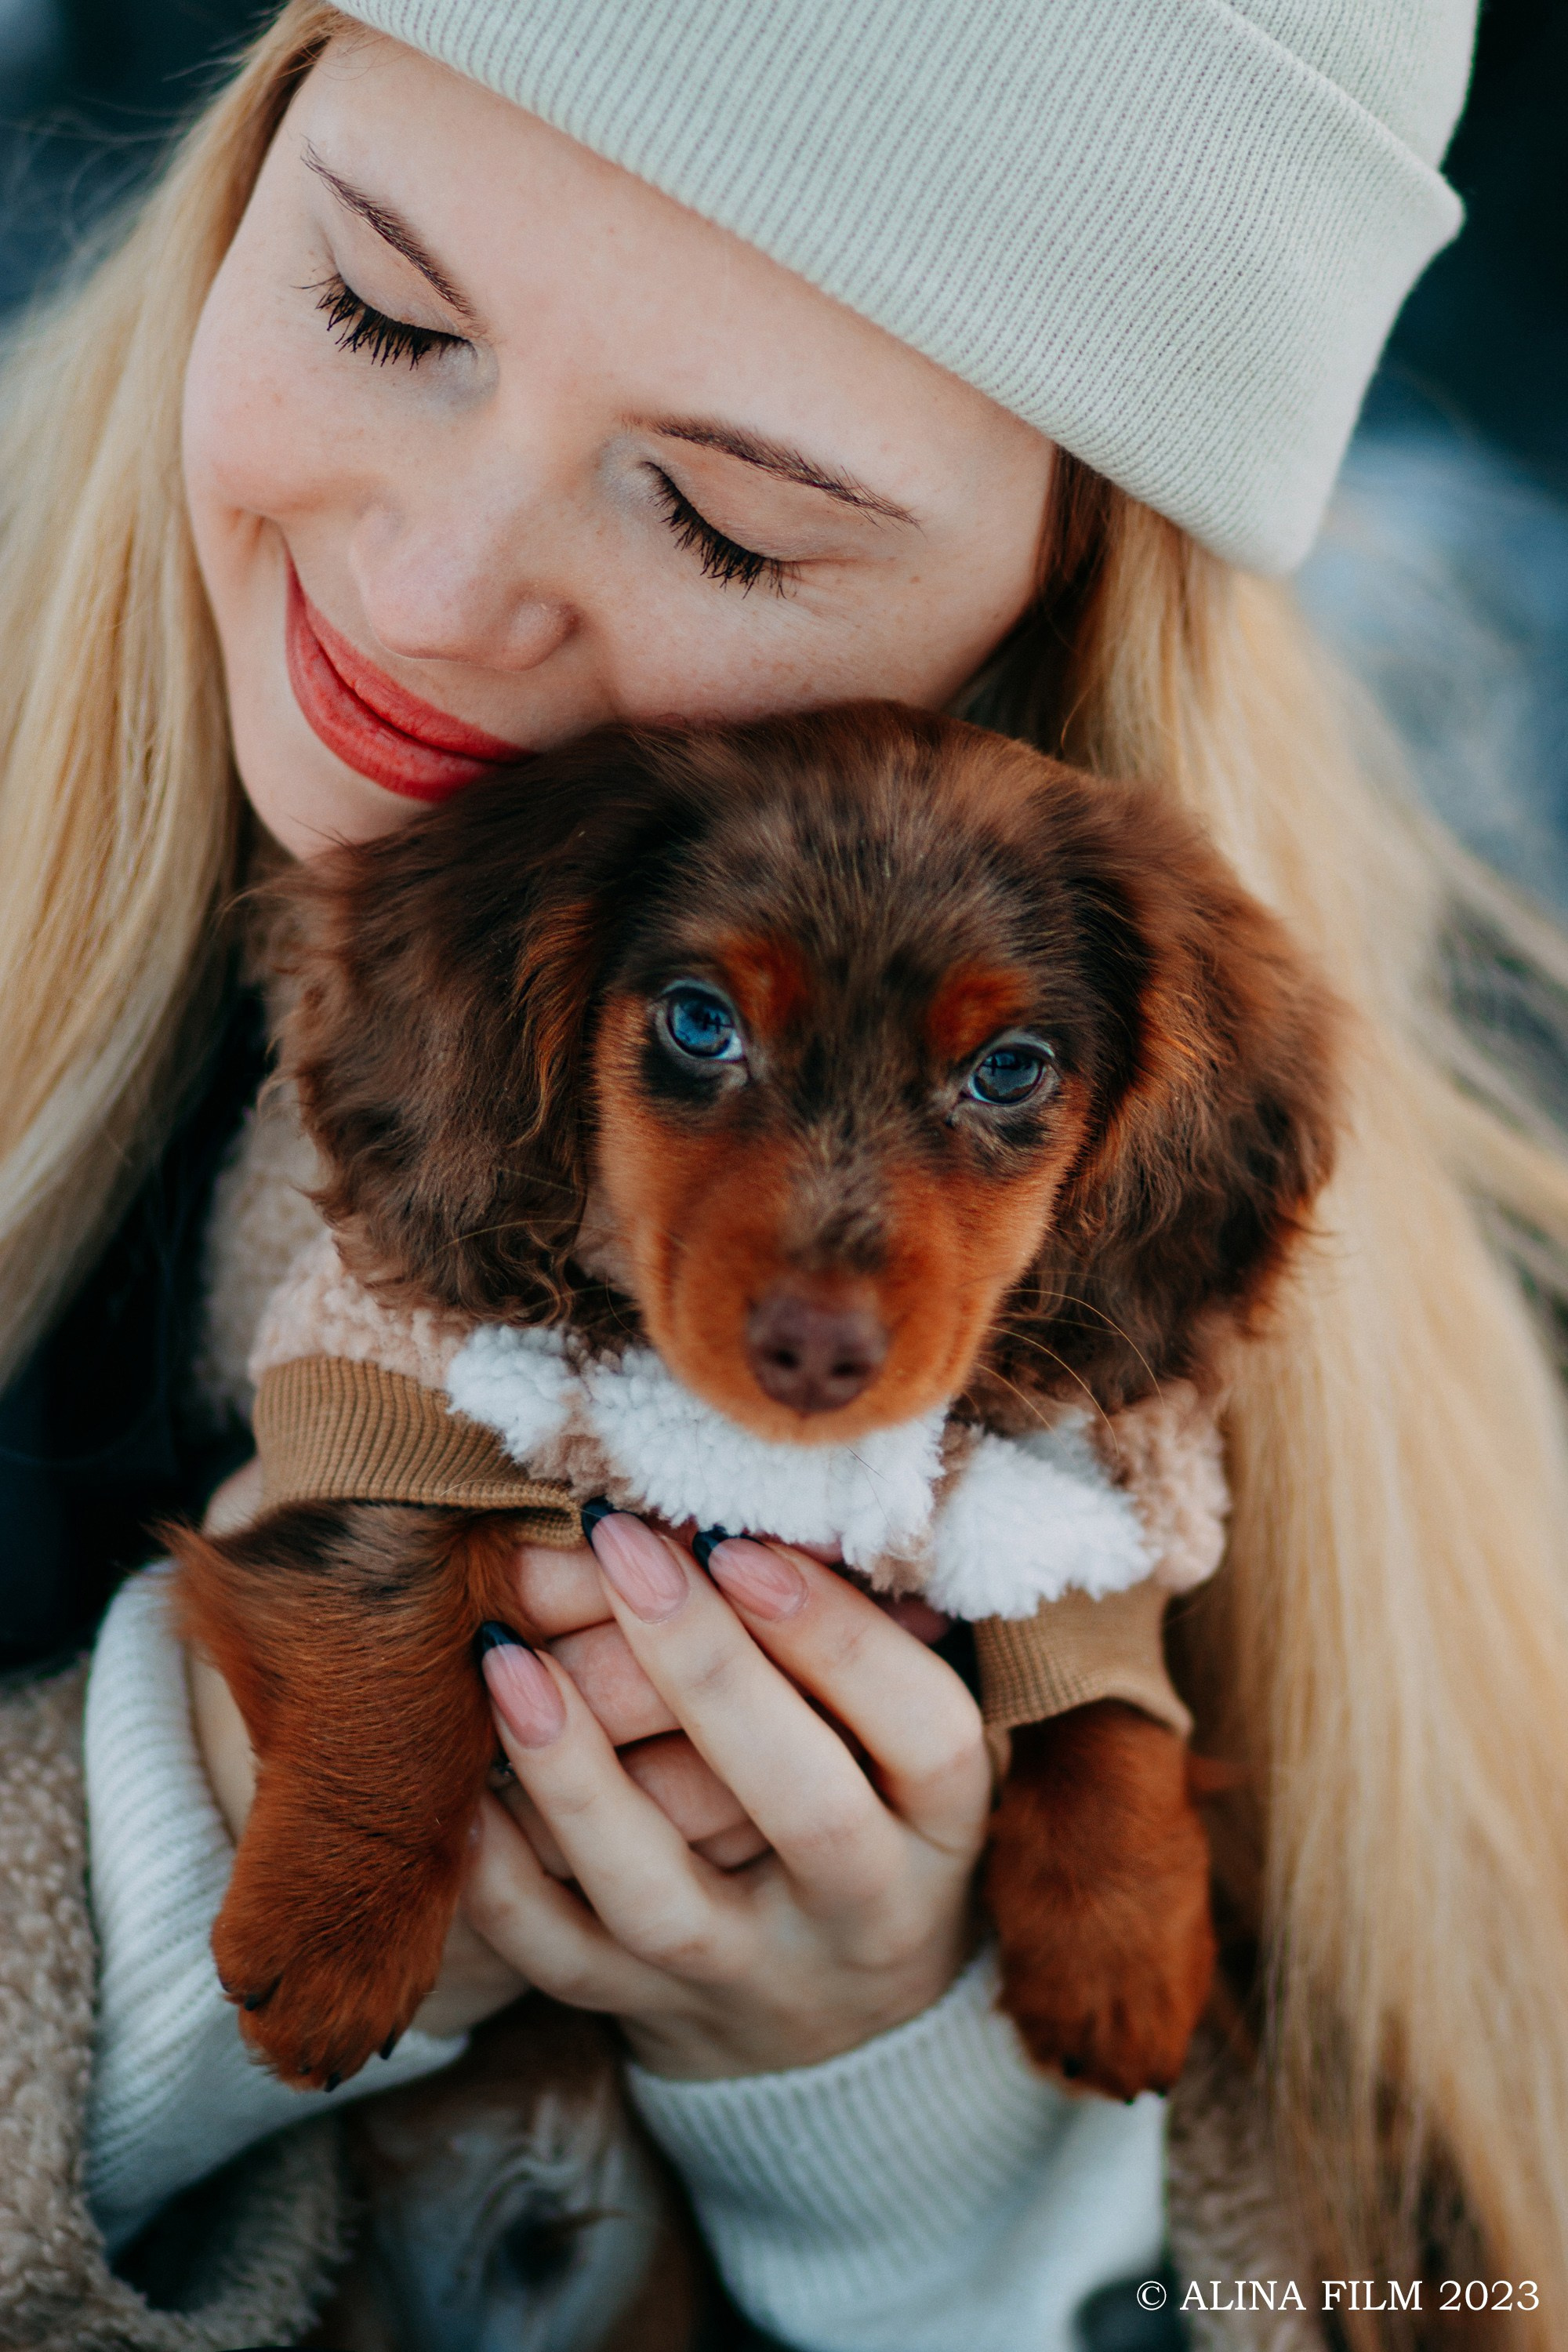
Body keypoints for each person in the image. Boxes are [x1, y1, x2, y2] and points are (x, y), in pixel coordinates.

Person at [2, 2, 1565, 2346]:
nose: (431, 593)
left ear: (1053, 612)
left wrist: (937, 2176)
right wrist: (161, 1869)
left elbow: (1451, 2272)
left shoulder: (1361, 1313)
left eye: (731, 521)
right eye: (378, 311)